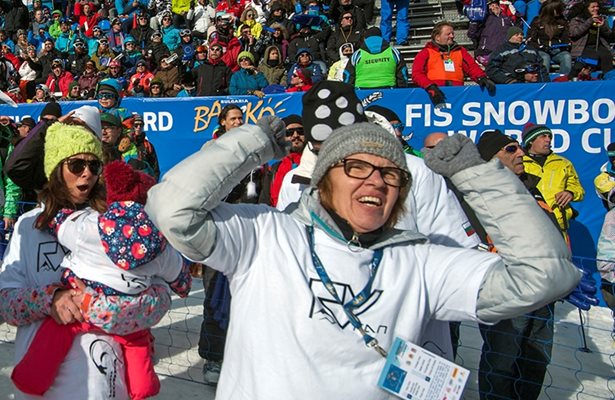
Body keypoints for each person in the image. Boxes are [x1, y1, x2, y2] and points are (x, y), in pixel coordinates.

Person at [145, 115, 580, 400]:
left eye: (390, 173)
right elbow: (172, 212)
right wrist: (253, 143)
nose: (376, 179)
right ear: (324, 181)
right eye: (356, 166)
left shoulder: (423, 261)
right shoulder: (267, 234)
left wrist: (476, 174)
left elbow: (544, 275)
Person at [0, 123, 171, 399]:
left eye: (94, 165)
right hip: (46, 385)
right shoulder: (29, 225)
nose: (87, 173)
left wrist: (115, 309)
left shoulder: (119, 226)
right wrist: (50, 299)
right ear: (56, 169)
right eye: (77, 164)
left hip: (109, 383)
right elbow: (5, 303)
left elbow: (161, 294)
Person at [474, 130, 560, 400]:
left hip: (544, 292)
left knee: (536, 360)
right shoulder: (477, 195)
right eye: (510, 150)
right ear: (491, 159)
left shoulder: (532, 188)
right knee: (502, 362)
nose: (521, 153)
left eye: (519, 148)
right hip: (507, 292)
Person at [412, 22, 495, 107]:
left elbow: (471, 67)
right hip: (435, 95)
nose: (452, 36)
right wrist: (430, 86)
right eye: (448, 34)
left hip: (458, 95)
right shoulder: (426, 53)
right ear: (437, 37)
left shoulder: (460, 51)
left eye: (452, 33)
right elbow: (417, 74)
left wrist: (482, 78)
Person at [522, 123, 584, 234]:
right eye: (543, 136)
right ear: (531, 140)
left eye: (549, 137)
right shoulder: (519, 163)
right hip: (527, 225)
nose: (548, 140)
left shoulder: (563, 163)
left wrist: (570, 192)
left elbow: (578, 189)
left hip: (558, 225)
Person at [344, 27, 409, 89]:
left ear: (365, 38)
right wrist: (402, 90)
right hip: (389, 90)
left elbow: (348, 75)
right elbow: (403, 73)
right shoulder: (393, 52)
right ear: (381, 37)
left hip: (362, 92)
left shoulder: (357, 54)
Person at [526, 0, 572, 75]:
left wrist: (566, 44)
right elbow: (530, 39)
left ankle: (563, 79)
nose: (560, 11)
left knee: (566, 56)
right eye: (558, 9)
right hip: (541, 50)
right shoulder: (537, 21)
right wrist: (540, 46)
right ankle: (544, 79)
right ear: (551, 10)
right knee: (545, 58)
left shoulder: (562, 21)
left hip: (556, 49)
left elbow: (565, 37)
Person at [568, 0, 614, 74]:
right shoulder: (577, 20)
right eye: (593, 7)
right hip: (583, 47)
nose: (596, 9)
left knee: (606, 55)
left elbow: (609, 34)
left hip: (599, 46)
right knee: (590, 56)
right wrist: (589, 21)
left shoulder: (601, 19)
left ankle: (609, 77)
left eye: (597, 6)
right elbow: (574, 33)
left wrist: (603, 26)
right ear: (587, 8)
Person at [269, 114, 305, 207]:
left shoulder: (315, 163)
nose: (295, 135)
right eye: (289, 132)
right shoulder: (275, 169)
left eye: (300, 131)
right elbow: (266, 201)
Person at [468, 0, 517, 65]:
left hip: (504, 53)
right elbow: (472, 34)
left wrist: (517, 15)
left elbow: (517, 31)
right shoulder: (484, 19)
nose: (495, 7)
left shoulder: (506, 19)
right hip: (486, 53)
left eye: (497, 5)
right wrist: (474, 22)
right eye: (492, 6)